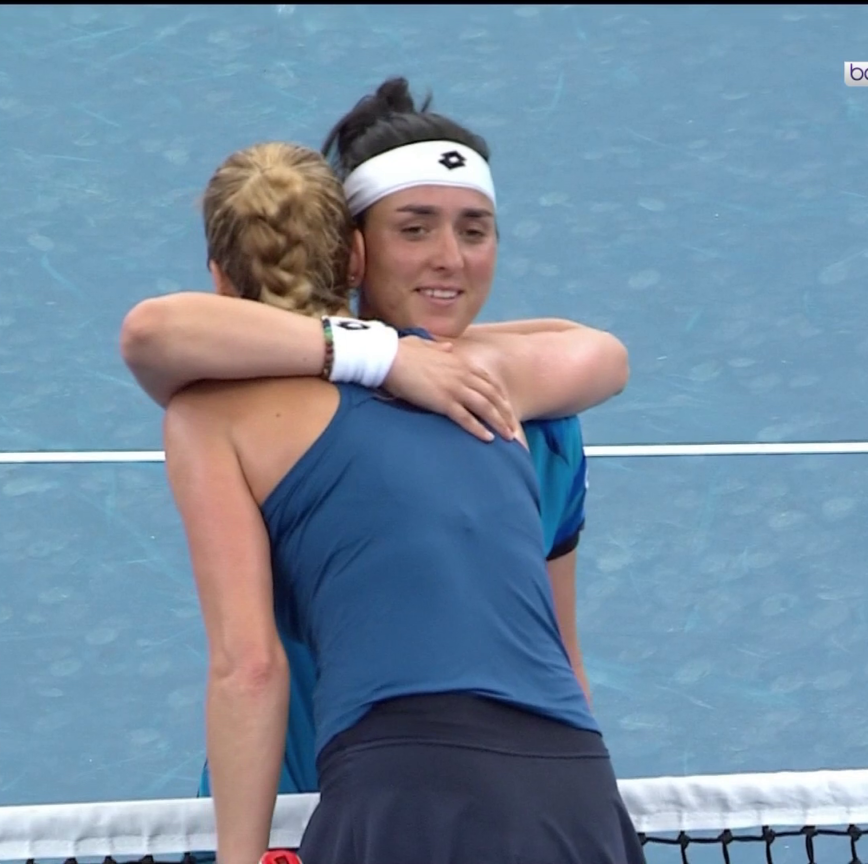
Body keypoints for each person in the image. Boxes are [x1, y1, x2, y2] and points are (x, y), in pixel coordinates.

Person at [119, 76, 620, 801]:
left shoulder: (547, 426)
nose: (450, 258)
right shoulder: (273, 396)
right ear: (354, 252)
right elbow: (157, 332)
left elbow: (560, 656)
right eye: (414, 229)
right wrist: (386, 353)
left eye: (474, 230)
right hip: (300, 807)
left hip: (465, 808)